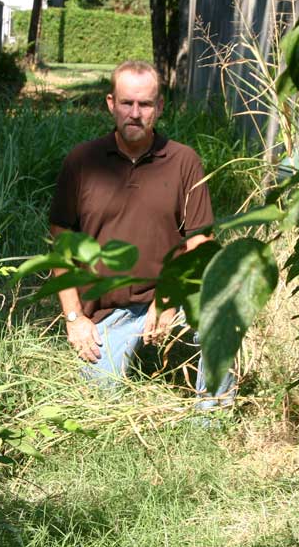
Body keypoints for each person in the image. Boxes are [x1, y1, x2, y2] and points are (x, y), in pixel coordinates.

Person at [48, 59, 235, 405]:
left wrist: (168, 298)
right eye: (126, 103)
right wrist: (74, 318)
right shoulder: (82, 162)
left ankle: (212, 421)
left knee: (221, 318)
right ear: (110, 104)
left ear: (159, 107)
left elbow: (200, 242)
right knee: (97, 404)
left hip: (170, 301)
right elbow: (61, 243)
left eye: (145, 104)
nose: (135, 113)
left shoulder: (183, 162)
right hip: (108, 312)